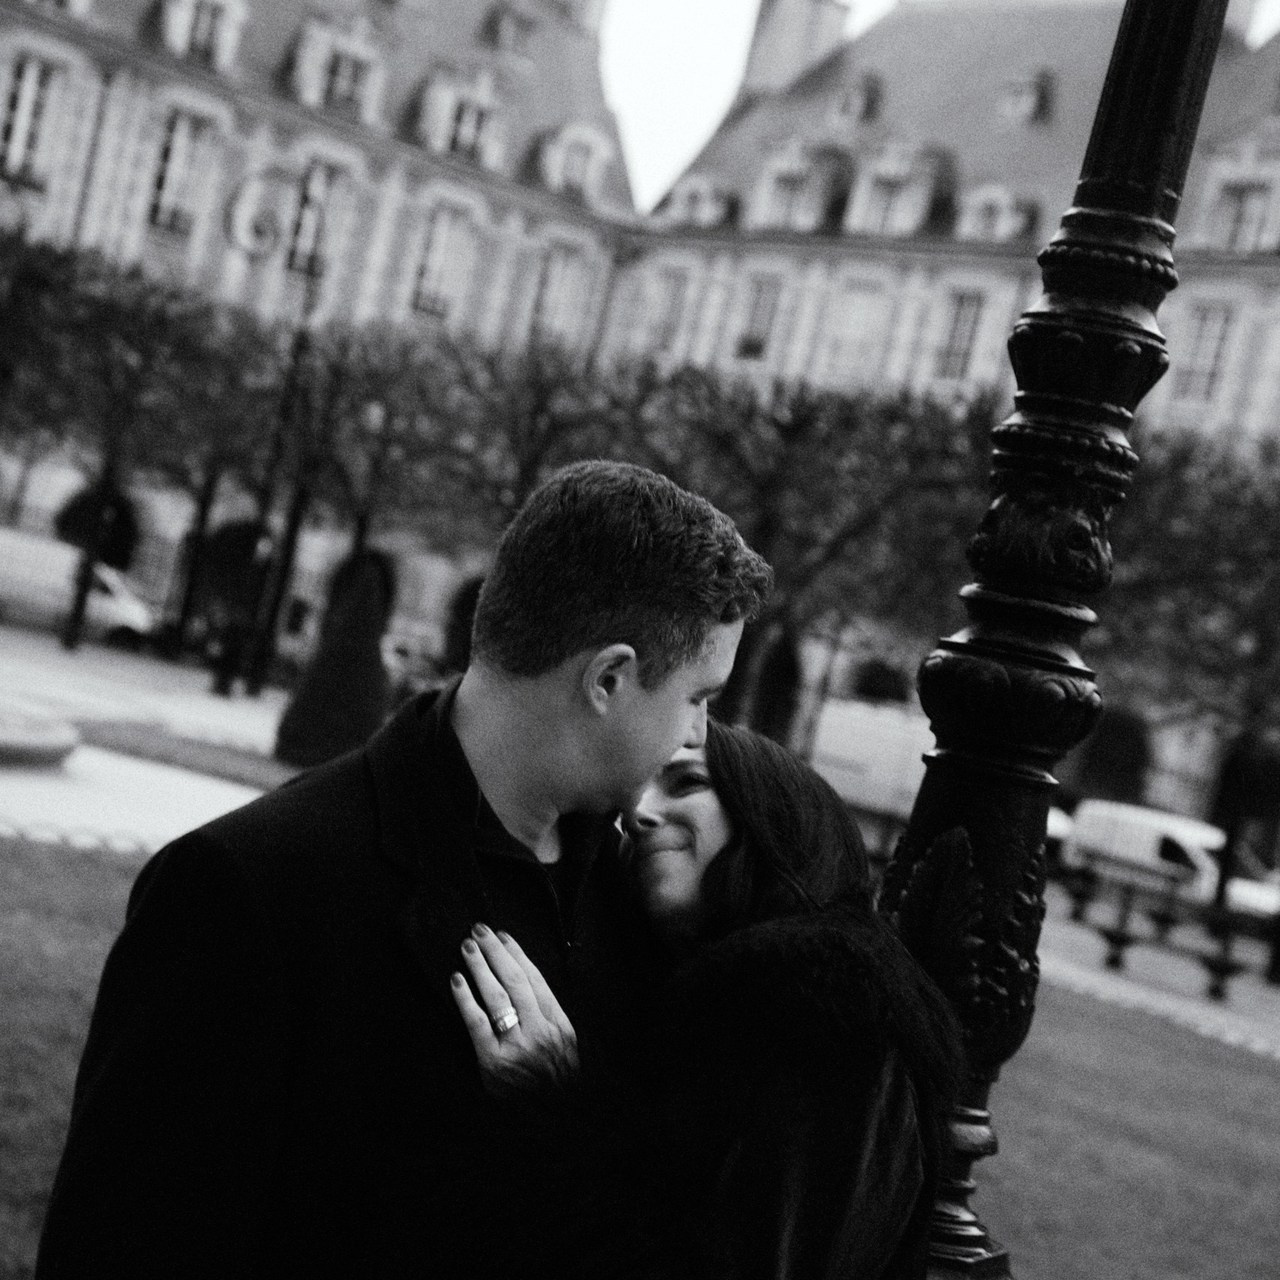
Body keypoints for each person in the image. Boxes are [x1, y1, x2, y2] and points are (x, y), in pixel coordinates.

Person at [36, 460, 772, 1280]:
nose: (700, 733)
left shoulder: (642, 897)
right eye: (699, 697)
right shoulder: (249, 889)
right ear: (609, 679)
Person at [455, 718, 963, 1279]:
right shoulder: (719, 1005)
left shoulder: (828, 1006)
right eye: (633, 798)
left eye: (687, 783)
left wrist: (551, 1102)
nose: (639, 814)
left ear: (775, 813)